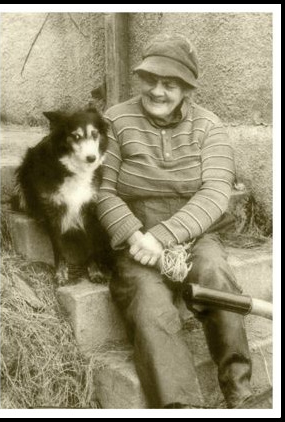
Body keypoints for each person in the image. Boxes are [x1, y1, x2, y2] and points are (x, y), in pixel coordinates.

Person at [97, 33, 260, 409]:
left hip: (194, 233)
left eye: (170, 84)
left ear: (188, 89)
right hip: (134, 238)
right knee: (151, 304)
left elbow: (216, 194)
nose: (157, 91)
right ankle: (180, 407)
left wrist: (165, 237)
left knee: (216, 274)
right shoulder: (115, 120)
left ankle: (239, 390)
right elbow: (102, 191)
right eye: (151, 79)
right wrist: (137, 236)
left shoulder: (209, 126)